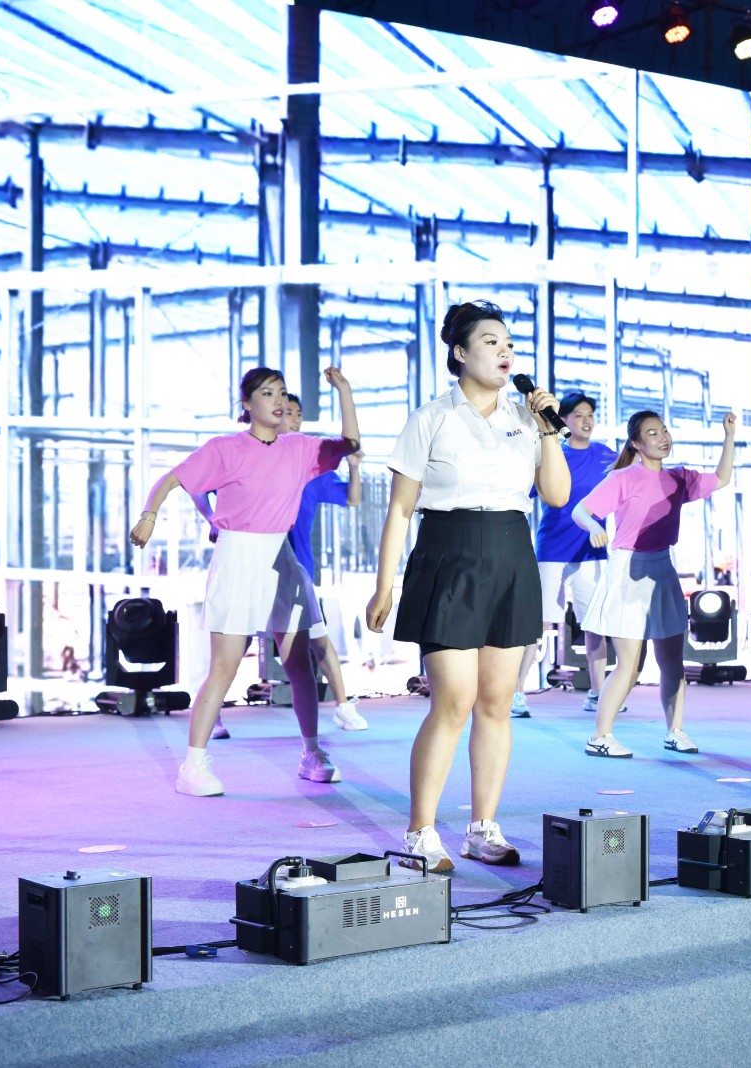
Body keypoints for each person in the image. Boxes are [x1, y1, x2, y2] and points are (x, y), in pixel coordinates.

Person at [365, 300, 570, 873]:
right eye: (490, 341)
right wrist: (385, 585)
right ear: (459, 352)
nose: (505, 352)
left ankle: (483, 828)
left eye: (509, 344)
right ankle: (420, 832)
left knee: (497, 702)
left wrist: (549, 430)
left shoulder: (527, 418)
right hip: (448, 553)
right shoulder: (431, 417)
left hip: (511, 554)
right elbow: (400, 510)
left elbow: (556, 495)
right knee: (453, 700)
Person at [130, 365, 359, 796]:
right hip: (237, 557)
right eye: (267, 393)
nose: (278, 401)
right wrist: (149, 515)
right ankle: (192, 766)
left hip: (281, 558)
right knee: (225, 666)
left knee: (299, 665)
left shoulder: (299, 448)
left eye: (282, 393)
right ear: (247, 404)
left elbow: (350, 444)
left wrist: (343, 390)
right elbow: (172, 479)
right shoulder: (225, 448)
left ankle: (312, 752)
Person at [573, 409, 738, 757]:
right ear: (636, 443)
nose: (663, 438)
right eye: (652, 433)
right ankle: (600, 736)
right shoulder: (623, 478)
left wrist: (729, 437)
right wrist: (595, 526)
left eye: (664, 431)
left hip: (662, 568)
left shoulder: (679, 478)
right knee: (630, 664)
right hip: (627, 569)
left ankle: (674, 731)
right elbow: (581, 511)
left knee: (672, 661)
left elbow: (722, 478)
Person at [204, 392, 369, 740]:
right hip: (251, 569)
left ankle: (342, 706)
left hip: (296, 571)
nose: (292, 418)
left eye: (297, 413)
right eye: (286, 411)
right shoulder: (246, 460)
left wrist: (354, 467)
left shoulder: (310, 468)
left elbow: (352, 498)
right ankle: (212, 714)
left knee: (318, 643)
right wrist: (212, 520)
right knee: (236, 646)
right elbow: (197, 486)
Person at [533, 391, 620, 716]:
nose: (586, 421)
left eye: (590, 415)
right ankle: (516, 694)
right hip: (553, 549)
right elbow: (529, 491)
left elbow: (633, 482)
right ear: (564, 420)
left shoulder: (606, 456)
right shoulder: (553, 453)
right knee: (540, 623)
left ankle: (598, 693)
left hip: (591, 551)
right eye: (578, 415)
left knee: (595, 625)